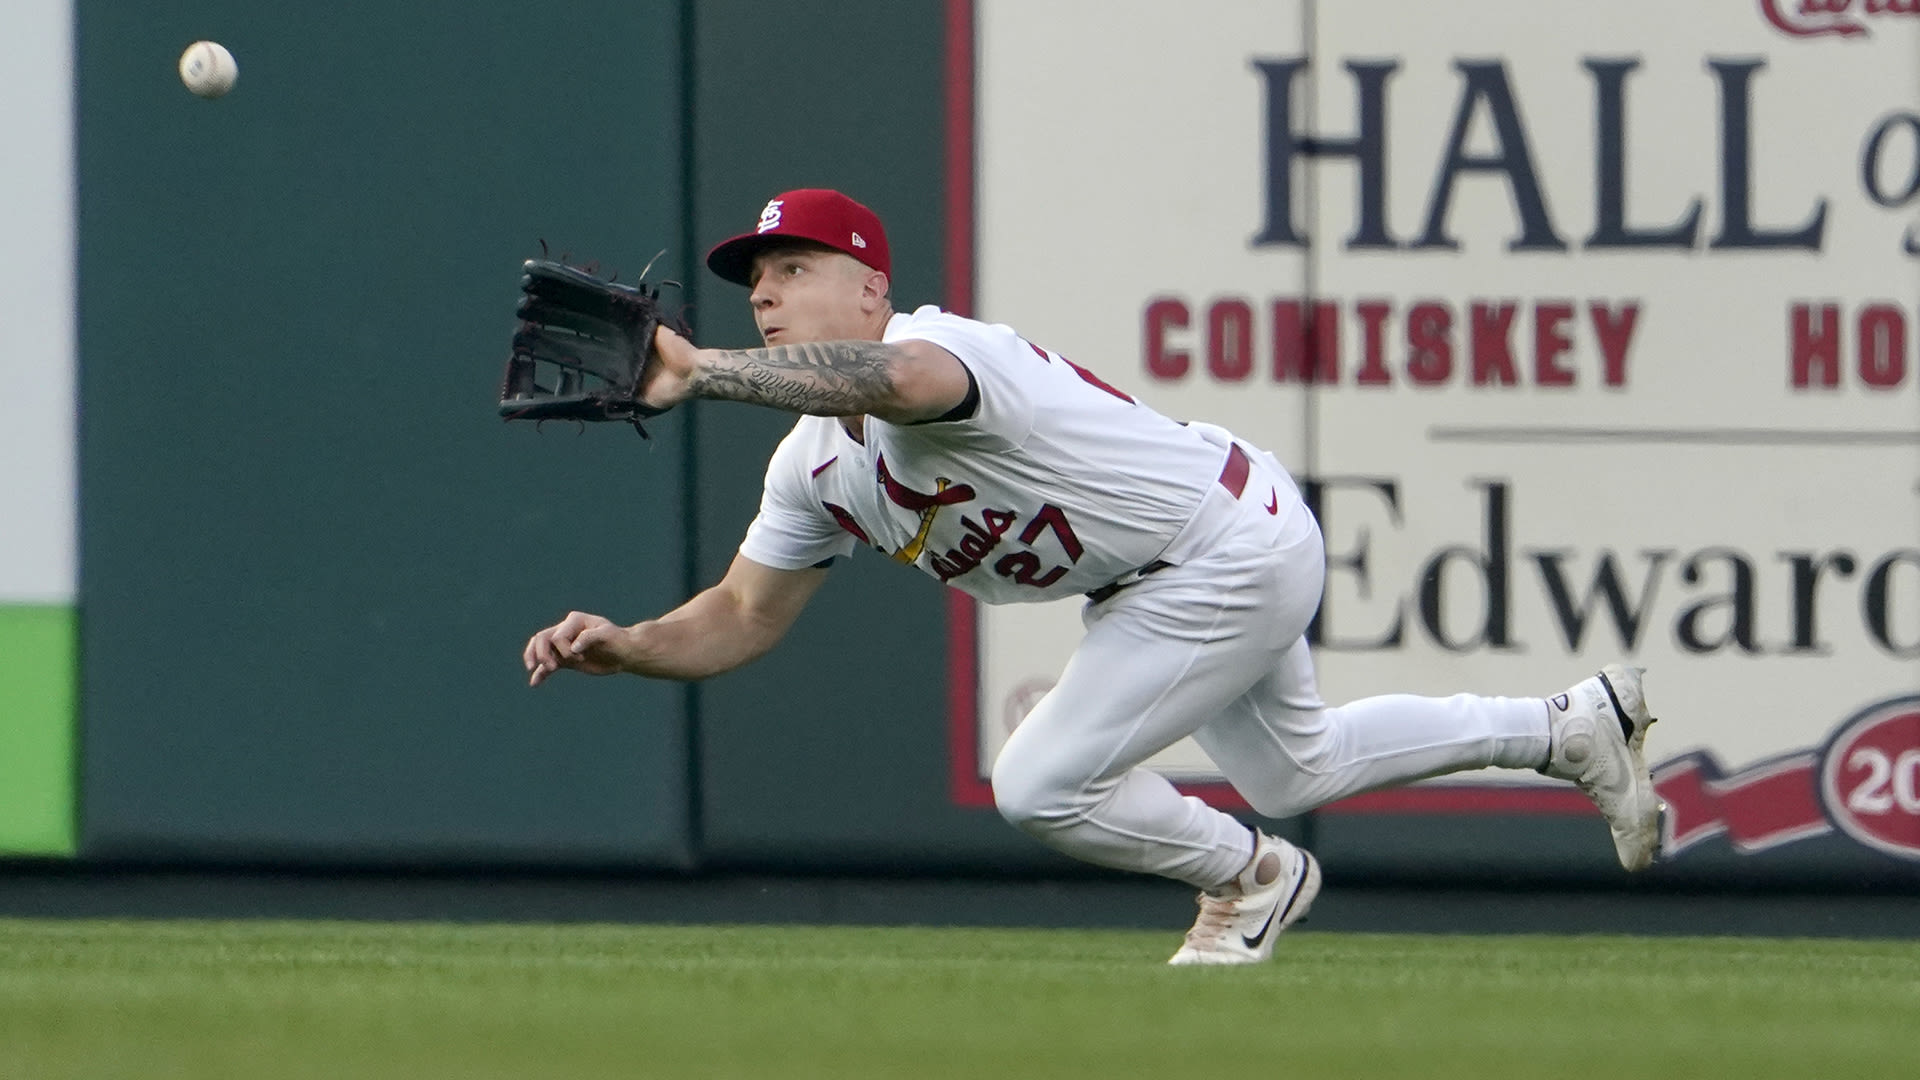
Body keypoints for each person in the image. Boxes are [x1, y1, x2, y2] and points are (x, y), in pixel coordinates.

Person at [522, 188, 1664, 965]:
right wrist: (629, 646)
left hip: (1222, 546)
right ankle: (1568, 728)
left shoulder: (948, 347)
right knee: (1292, 767)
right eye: (755, 278)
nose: (765, 293)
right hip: (1182, 559)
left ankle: (1252, 880)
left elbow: (902, 382)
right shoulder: (813, 467)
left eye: (794, 266)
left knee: (1041, 782)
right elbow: (740, 612)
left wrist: (707, 374)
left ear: (871, 287)